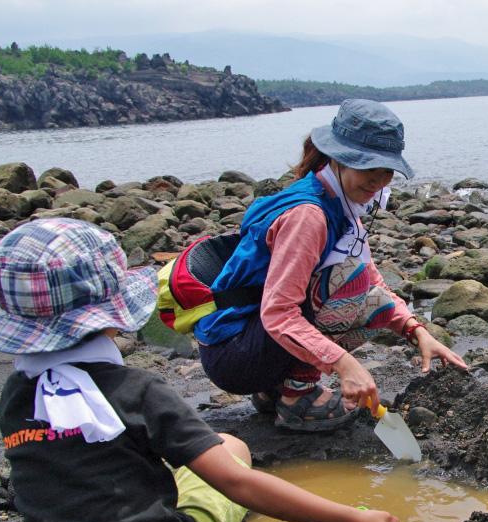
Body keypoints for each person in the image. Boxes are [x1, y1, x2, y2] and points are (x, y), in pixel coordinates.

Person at [0, 218, 403, 522]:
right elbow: (238, 483)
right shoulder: (138, 392)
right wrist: (350, 520)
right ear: (112, 317)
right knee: (233, 450)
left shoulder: (15, 397)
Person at [196, 98, 466, 432]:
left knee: (370, 292)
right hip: (236, 356)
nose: (378, 181)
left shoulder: (339, 203)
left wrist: (417, 331)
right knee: (352, 284)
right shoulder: (310, 216)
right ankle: (298, 397)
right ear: (339, 158)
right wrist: (344, 365)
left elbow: (375, 282)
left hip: (249, 343)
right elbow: (278, 313)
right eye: (368, 168)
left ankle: (276, 387)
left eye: (386, 171)